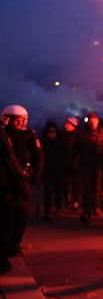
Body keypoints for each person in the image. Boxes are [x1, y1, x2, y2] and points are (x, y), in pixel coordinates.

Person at [2, 105, 43, 256]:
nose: (19, 124)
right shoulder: (3, 135)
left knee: (21, 214)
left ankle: (14, 245)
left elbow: (38, 155)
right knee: (6, 216)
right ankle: (6, 247)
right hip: (4, 181)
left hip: (20, 181)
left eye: (22, 120)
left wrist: (37, 174)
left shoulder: (29, 135)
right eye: (16, 121)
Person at [0, 121, 27, 273]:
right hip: (2, 184)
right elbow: (10, 156)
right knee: (5, 220)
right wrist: (21, 179)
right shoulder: (1, 133)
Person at [74, 112, 103, 223]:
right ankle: (86, 212)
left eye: (94, 121)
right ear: (87, 122)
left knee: (97, 188)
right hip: (86, 165)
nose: (92, 123)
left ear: (98, 121)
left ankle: (96, 206)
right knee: (88, 189)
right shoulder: (81, 135)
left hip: (98, 165)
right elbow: (75, 151)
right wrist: (71, 163)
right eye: (90, 121)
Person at [40, 121, 66, 221]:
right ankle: (47, 213)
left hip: (58, 172)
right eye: (50, 132)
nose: (51, 134)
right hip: (46, 172)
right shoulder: (42, 143)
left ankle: (58, 207)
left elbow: (65, 157)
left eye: (53, 132)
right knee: (48, 192)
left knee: (58, 191)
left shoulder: (61, 143)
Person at [61, 117, 82, 210]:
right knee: (64, 183)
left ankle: (76, 201)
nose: (65, 126)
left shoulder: (79, 136)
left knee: (77, 184)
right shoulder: (61, 136)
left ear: (74, 126)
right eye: (65, 123)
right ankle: (66, 194)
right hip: (64, 163)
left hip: (77, 163)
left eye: (68, 124)